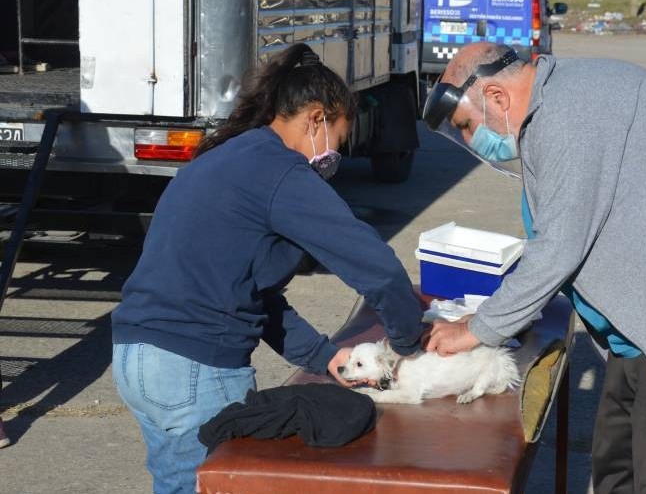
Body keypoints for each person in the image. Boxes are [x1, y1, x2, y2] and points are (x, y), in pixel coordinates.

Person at [421, 42, 646, 494]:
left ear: (497, 97)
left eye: (464, 126)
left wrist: (480, 329)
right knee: (616, 462)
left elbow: (558, 247)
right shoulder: (553, 107)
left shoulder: (570, 113)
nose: (467, 139)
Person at [111, 43, 424, 494]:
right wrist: (409, 342)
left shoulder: (230, 156)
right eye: (339, 137)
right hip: (194, 368)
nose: (336, 153)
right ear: (317, 118)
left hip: (139, 358)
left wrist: (323, 356)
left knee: (182, 485)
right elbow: (377, 268)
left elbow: (248, 292)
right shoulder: (282, 173)